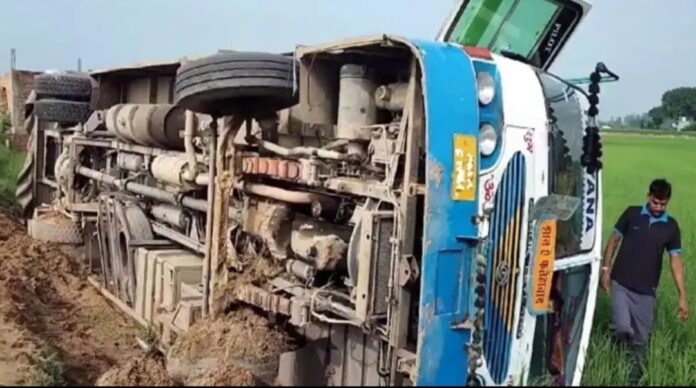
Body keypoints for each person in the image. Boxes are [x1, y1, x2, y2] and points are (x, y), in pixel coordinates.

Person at [601, 178, 688, 384]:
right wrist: (605, 269)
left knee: (641, 341)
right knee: (622, 327)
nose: (658, 207)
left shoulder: (671, 227)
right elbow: (613, 241)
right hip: (621, 283)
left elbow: (675, 262)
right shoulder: (632, 214)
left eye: (663, 204)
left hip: (646, 291)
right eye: (655, 202)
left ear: (667, 202)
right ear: (648, 196)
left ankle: (633, 378)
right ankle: (617, 346)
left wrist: (682, 296)